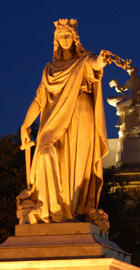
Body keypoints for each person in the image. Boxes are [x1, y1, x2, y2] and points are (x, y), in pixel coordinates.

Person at [17, 19, 109, 224]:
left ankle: (73, 211)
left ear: (75, 38)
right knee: (44, 152)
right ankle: (51, 209)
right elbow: (39, 100)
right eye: (61, 36)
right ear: (56, 40)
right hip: (54, 120)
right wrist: (25, 125)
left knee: (77, 165)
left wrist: (102, 60)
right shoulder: (49, 69)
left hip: (80, 115)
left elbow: (95, 66)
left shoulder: (85, 60)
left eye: (68, 35)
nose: (65, 39)